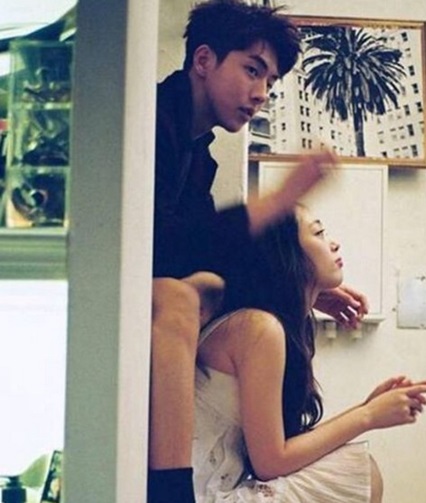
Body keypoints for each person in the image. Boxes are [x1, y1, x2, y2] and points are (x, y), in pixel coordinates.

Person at [149, 2, 368, 502]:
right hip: (102, 279)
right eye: (252, 70)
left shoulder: (198, 156)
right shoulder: (149, 120)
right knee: (183, 295)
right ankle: (169, 490)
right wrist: (280, 199)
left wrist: (305, 288)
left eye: (269, 81)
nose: (261, 93)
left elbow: (200, 252)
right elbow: (168, 243)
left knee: (206, 285)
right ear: (203, 59)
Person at [185, 205, 426, 502]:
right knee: (360, 473)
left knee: (358, 470)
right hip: (199, 495)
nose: (334, 243)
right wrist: (367, 415)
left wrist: (368, 407)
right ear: (285, 254)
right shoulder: (258, 328)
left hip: (212, 487)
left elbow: (275, 454)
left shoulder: (266, 325)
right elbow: (271, 463)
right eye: (318, 233)